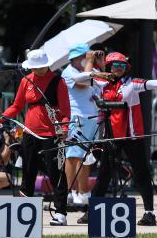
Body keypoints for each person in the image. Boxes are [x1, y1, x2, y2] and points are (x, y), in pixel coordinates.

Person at [75, 52, 157, 226]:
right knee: (104, 174)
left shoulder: (133, 83)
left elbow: (156, 83)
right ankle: (92, 212)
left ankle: (149, 213)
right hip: (111, 136)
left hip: (132, 136)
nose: (118, 69)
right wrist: (95, 73)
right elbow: (77, 79)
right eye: (114, 66)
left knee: (141, 173)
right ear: (109, 67)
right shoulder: (101, 82)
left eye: (121, 66)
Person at [0, 49, 71, 226]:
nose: (38, 70)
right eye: (35, 67)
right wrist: (1, 118)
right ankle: (23, 211)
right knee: (28, 171)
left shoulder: (58, 82)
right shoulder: (27, 80)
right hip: (29, 133)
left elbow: (66, 112)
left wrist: (63, 129)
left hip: (52, 135)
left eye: (41, 66)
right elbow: (16, 106)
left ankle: (61, 212)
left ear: (47, 64)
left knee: (56, 173)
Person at [61, 43, 105, 206]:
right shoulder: (69, 72)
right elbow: (84, 81)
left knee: (86, 157)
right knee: (74, 156)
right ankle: (72, 193)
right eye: (85, 57)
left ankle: (83, 192)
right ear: (75, 59)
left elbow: (103, 81)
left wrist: (100, 64)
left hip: (91, 118)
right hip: (77, 117)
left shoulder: (87, 70)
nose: (89, 60)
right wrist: (90, 61)